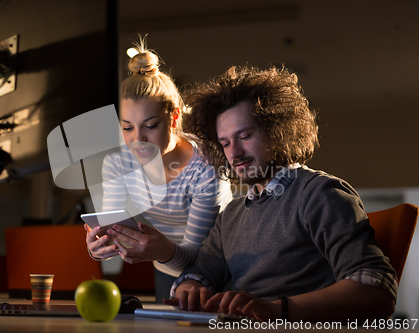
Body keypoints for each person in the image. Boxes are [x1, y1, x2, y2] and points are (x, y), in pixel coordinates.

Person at [163, 65, 398, 322]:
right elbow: (199, 274)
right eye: (226, 143)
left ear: (278, 132)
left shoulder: (320, 194)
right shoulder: (231, 214)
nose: (234, 154)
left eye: (245, 136)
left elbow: (377, 288)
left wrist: (276, 309)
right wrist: (191, 290)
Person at [84, 39, 233, 302]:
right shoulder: (119, 161)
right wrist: (99, 248)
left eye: (150, 126)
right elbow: (113, 228)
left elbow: (198, 260)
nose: (137, 140)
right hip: (164, 267)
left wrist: (161, 251)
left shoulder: (207, 166)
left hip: (219, 268)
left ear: (174, 117)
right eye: (127, 127)